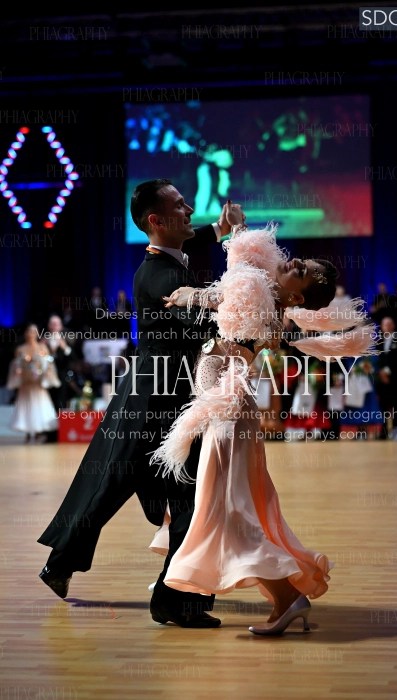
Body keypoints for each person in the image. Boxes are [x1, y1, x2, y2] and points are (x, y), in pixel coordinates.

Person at [147, 223, 377, 635]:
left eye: (301, 270)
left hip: (229, 410)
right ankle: (255, 592)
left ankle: (285, 597)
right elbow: (234, 285)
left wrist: (189, 295)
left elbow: (224, 293)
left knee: (230, 508)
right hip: (229, 408)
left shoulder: (257, 292)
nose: (294, 261)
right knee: (230, 505)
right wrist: (231, 233)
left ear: (298, 295)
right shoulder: (269, 299)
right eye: (301, 261)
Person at [37, 178, 244, 629]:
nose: (189, 209)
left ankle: (167, 595)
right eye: (180, 204)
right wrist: (245, 288)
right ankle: (171, 598)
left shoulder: (165, 261)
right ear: (156, 220)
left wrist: (221, 231)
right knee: (133, 486)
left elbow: (191, 255)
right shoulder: (160, 276)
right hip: (154, 401)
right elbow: (203, 322)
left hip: (162, 393)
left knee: (144, 489)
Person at [6, 323, 61, 443]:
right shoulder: (20, 349)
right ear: (25, 333)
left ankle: (38, 432)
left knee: (38, 406)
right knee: (26, 406)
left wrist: (43, 374)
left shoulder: (42, 347)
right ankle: (28, 432)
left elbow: (48, 364)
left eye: (33, 331)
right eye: (29, 331)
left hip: (38, 384)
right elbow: (16, 365)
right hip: (26, 384)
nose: (31, 334)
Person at [42, 314, 76, 442]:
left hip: (61, 378)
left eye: (57, 324)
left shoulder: (67, 339)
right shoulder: (44, 340)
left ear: (61, 326)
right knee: (48, 405)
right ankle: (49, 435)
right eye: (52, 323)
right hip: (47, 378)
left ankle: (61, 433)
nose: (55, 326)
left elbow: (73, 358)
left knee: (60, 404)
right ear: (49, 326)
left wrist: (65, 347)